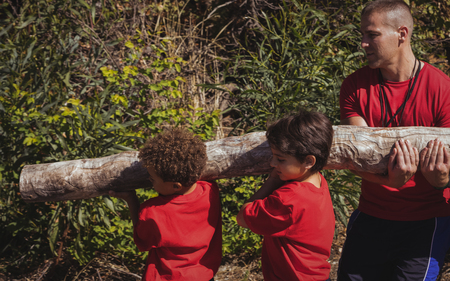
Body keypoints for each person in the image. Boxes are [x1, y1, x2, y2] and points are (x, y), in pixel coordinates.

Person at [338, 0, 450, 281]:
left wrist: (442, 180)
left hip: (425, 222)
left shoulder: (442, 89)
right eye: (362, 34)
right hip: (371, 215)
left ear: (402, 34)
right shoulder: (354, 86)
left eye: (372, 34)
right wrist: (389, 181)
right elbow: (357, 157)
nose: (363, 43)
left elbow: (446, 175)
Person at [109, 128, 222, 281]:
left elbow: (142, 240)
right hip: (204, 275)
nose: (150, 182)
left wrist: (131, 199)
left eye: (153, 179)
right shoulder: (210, 191)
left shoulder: (153, 211)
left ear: (176, 186)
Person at [236, 109, 336, 281]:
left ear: (308, 161)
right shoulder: (319, 181)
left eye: (280, 159)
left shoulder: (288, 200)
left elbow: (243, 218)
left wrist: (271, 182)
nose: (272, 163)